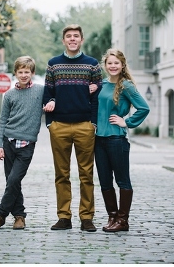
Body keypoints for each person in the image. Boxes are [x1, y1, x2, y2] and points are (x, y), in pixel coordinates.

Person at [42, 24, 102, 232]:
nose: (73, 39)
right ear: (64, 40)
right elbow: (48, 92)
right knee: (62, 174)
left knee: (86, 173)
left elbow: (97, 96)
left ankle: (86, 217)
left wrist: (93, 123)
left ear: (81, 40)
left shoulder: (92, 64)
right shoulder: (54, 64)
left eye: (76, 36)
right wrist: (50, 123)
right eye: (69, 36)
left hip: (84, 126)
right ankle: (64, 217)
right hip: (59, 126)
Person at [0, 56, 44, 231]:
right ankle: (19, 216)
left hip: (27, 145)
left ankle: (0, 215)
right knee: (12, 182)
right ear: (15, 73)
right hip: (8, 142)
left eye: (27, 72)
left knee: (13, 179)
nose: (24, 75)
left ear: (32, 73)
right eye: (21, 72)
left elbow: (55, 97)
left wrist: (52, 102)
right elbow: (3, 121)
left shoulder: (41, 91)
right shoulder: (9, 94)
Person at [95, 48, 149, 232]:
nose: (112, 66)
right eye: (109, 63)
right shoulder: (101, 84)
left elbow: (143, 108)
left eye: (116, 63)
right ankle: (112, 217)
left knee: (122, 180)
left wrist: (126, 122)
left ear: (122, 65)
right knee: (104, 181)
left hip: (117, 139)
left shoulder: (126, 85)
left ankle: (123, 220)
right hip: (98, 140)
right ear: (105, 65)